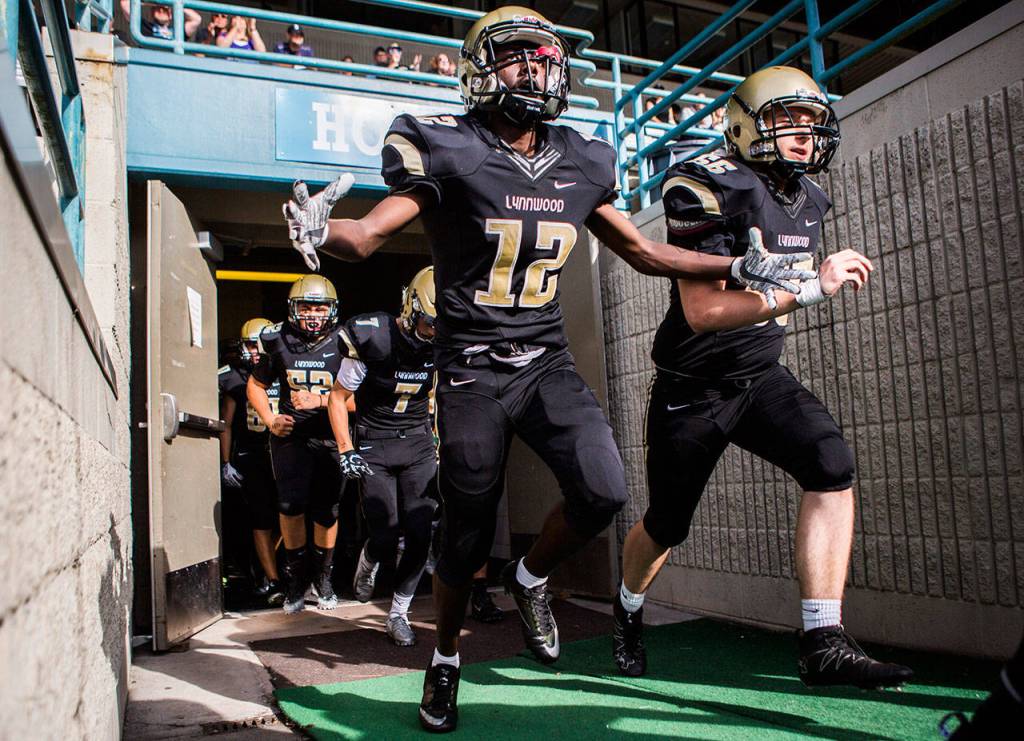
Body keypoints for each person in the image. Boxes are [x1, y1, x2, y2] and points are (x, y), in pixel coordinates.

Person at [281, 7, 810, 732]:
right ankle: (444, 660)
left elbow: (647, 253)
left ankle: (529, 577)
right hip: (469, 366)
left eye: (543, 57)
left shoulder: (580, 157)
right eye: (513, 57)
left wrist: (735, 262)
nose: (532, 69)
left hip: (545, 361)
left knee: (604, 489)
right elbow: (369, 235)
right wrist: (321, 231)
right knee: (463, 532)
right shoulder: (450, 146)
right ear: (478, 70)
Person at [610, 65, 914, 691]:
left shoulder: (810, 196)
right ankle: (628, 607)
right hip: (691, 389)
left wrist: (798, 288)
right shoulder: (704, 184)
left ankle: (821, 638)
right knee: (668, 524)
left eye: (810, 121)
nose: (803, 135)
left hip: (758, 376)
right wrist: (808, 291)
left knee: (832, 464)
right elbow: (704, 312)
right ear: (744, 125)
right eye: (785, 120)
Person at [328, 267, 439, 647]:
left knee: (421, 532)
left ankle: (398, 614)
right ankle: (371, 558)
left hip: (419, 441)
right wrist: (345, 448)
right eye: (429, 325)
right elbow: (339, 398)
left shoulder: (443, 340)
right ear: (410, 309)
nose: (434, 334)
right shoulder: (372, 334)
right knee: (386, 531)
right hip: (376, 440)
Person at [247, 275, 366, 614]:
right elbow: (255, 386)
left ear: (333, 310)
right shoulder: (278, 340)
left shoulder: (347, 342)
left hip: (332, 437)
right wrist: (271, 419)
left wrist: (322, 399)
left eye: (320, 307)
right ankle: (296, 577)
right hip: (292, 437)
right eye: (306, 307)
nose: (313, 314)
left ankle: (323, 577)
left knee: (328, 510)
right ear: (292, 309)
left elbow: (368, 399)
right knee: (289, 505)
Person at [218, 318, 283, 606]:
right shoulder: (233, 377)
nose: (255, 351)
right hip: (252, 455)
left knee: (290, 515)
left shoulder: (282, 369)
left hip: (284, 454)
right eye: (250, 345)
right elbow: (227, 424)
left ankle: (279, 572)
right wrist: (225, 462)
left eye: (260, 345)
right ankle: (270, 578)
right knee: (260, 518)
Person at [120, 1, 201, 41]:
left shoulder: (178, 31)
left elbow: (196, 19)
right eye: (157, 8)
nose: (161, 10)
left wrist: (175, 3)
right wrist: (151, 2)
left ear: (172, 14)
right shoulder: (145, 27)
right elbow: (125, 3)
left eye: (165, 9)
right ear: (152, 12)